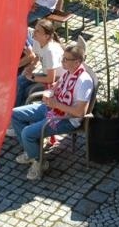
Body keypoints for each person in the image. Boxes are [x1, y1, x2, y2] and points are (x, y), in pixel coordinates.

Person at [7, 42, 94, 180]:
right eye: (63, 57)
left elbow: (80, 113)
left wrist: (57, 104)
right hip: (52, 108)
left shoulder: (84, 82)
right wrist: (50, 92)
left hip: (66, 119)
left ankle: (39, 162)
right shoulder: (69, 72)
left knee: (27, 133)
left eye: (66, 59)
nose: (62, 61)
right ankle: (34, 153)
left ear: (77, 62)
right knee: (15, 114)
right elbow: (57, 87)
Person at [16, 19, 65, 106]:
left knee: (22, 83)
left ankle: (15, 110)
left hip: (59, 80)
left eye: (38, 31)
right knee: (21, 79)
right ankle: (17, 108)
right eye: (35, 29)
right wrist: (30, 68)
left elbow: (51, 79)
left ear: (46, 36)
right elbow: (37, 56)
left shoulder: (50, 51)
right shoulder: (37, 41)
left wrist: (32, 77)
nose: (34, 32)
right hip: (48, 75)